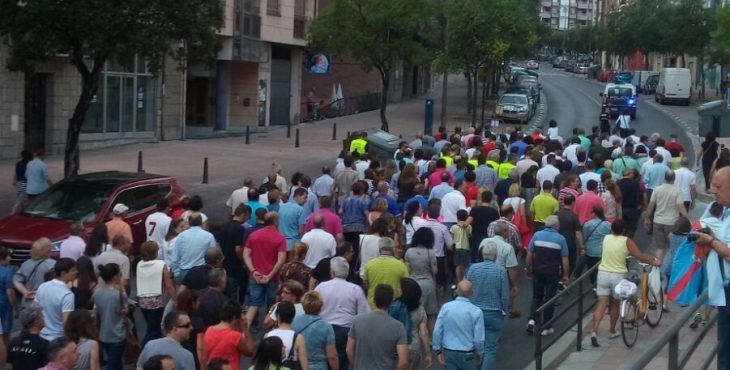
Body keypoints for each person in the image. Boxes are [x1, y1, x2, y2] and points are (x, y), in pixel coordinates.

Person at [590, 219, 659, 347]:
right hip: (617, 275)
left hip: (603, 273)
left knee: (602, 303)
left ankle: (594, 332)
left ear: (611, 229)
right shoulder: (626, 241)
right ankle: (612, 331)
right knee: (616, 303)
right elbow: (640, 256)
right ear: (623, 230)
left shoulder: (606, 238)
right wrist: (653, 261)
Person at [315, 256, 369, 370]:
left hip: (323, 327)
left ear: (332, 272)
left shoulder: (321, 287)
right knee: (343, 362)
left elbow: (313, 308)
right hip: (346, 330)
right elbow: (363, 313)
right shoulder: (355, 289)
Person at [466, 242, 508, 370]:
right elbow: (504, 295)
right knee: (490, 348)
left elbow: (466, 287)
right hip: (494, 312)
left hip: (474, 311)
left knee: (474, 344)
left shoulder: (473, 268)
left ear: (483, 255)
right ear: (495, 256)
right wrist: (504, 310)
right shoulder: (501, 271)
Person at [525, 215, 569, 336]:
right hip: (552, 273)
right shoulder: (561, 239)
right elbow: (564, 259)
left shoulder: (537, 235)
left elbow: (529, 254)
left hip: (537, 271)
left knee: (536, 296)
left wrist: (528, 268)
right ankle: (546, 326)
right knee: (549, 299)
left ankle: (532, 320)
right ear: (556, 225)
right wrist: (565, 275)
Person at [347, 284, 408, 370]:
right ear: (391, 301)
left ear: (374, 299)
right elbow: (403, 361)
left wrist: (355, 365)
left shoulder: (357, 320)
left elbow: (349, 349)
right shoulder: (398, 327)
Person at [243, 212, 288, 327]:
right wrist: (270, 275)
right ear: (275, 222)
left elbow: (246, 254)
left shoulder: (254, 235)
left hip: (255, 276)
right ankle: (271, 327)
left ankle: (249, 328)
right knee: (273, 304)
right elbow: (281, 260)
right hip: (272, 278)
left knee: (253, 303)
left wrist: (253, 271)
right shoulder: (280, 237)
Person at [432, 280, 484, 370]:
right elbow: (478, 339)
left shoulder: (446, 307)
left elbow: (437, 331)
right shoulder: (476, 311)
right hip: (468, 354)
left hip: (449, 352)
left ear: (456, 291)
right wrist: (480, 353)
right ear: (472, 293)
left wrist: (438, 350)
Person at [137, 241, 176, 345]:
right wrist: (175, 299)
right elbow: (168, 285)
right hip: (156, 300)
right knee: (154, 330)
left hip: (142, 300)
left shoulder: (139, 264)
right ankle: (145, 348)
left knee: (151, 327)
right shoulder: (161, 265)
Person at [644, 170, 687, 263]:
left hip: (658, 221)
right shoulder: (677, 190)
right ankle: (670, 268)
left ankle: (657, 268)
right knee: (672, 247)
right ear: (674, 178)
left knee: (660, 247)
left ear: (665, 178)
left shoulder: (657, 189)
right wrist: (686, 219)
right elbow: (680, 207)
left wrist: (647, 218)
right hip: (672, 222)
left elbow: (651, 205)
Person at [479, 223, 520, 318]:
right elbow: (511, 268)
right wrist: (514, 284)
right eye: (508, 231)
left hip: (484, 272)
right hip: (500, 274)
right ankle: (507, 310)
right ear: (504, 232)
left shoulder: (484, 241)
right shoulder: (508, 247)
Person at [292, 291, 339, 370]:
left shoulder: (294, 322)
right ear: (320, 307)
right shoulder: (326, 327)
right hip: (319, 366)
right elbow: (331, 356)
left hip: (298, 365)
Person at [203, 300, 255, 370]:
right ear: (234, 318)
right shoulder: (235, 336)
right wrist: (245, 328)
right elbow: (250, 352)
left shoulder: (209, 330)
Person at [92, 263, 126, 370]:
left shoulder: (97, 293)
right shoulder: (119, 295)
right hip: (117, 333)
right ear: (115, 277)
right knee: (114, 362)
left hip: (103, 333)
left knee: (115, 361)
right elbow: (122, 311)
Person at [404, 227, 438, 329]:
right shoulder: (430, 252)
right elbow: (435, 271)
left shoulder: (409, 252)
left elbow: (407, 271)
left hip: (413, 284)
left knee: (414, 312)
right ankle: (431, 338)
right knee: (431, 314)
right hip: (428, 284)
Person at [36, 257, 77, 341]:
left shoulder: (42, 286)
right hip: (58, 337)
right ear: (63, 273)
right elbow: (66, 322)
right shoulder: (67, 294)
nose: (76, 272)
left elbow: (36, 309)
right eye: (73, 270)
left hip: (41, 335)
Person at [364, 237, 410, 308]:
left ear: (379, 249)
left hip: (373, 305)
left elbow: (366, 285)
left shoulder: (369, 264)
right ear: (393, 249)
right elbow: (407, 285)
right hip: (393, 306)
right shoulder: (401, 265)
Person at [169, 214, 216, 283]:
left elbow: (175, 257)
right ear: (201, 222)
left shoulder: (181, 236)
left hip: (185, 272)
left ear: (189, 222)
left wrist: (172, 271)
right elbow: (213, 255)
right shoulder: (209, 236)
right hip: (202, 271)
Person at [217, 204, 248, 303]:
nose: (247, 219)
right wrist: (243, 261)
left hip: (224, 262)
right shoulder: (240, 229)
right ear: (243, 215)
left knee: (225, 290)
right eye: (247, 216)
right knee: (234, 291)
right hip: (235, 264)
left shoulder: (223, 226)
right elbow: (238, 249)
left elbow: (218, 244)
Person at [264, 302, 309, 370]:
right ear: (293, 316)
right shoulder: (298, 338)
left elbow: (263, 362)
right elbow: (304, 366)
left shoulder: (268, 335)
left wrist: (270, 310)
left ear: (278, 316)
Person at [14, 237, 56, 308]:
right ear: (48, 251)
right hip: (43, 304)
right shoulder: (52, 264)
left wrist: (25, 292)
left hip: (27, 304)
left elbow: (16, 281)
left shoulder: (26, 264)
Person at [580, 206, 612, 284]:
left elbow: (584, 236)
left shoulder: (587, 224)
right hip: (603, 250)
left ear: (594, 213)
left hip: (590, 251)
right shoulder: (608, 224)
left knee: (591, 268)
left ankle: (593, 282)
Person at [175, 289, 206, 369]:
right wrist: (203, 366)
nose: (199, 303)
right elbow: (200, 347)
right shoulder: (198, 321)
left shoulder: (174, 318)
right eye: (197, 301)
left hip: (176, 354)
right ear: (192, 303)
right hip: (192, 356)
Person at [450, 210, 472, 283]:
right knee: (464, 265)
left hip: (456, 247)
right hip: (465, 247)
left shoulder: (453, 227)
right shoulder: (469, 227)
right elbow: (469, 236)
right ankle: (464, 280)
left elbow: (451, 238)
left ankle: (458, 281)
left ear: (457, 217)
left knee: (457, 265)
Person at [11, 149, 33, 213]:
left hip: (19, 182)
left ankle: (22, 210)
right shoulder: (29, 164)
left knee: (20, 197)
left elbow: (16, 173)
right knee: (20, 199)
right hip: (25, 183)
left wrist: (14, 180)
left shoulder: (18, 163)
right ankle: (13, 212)